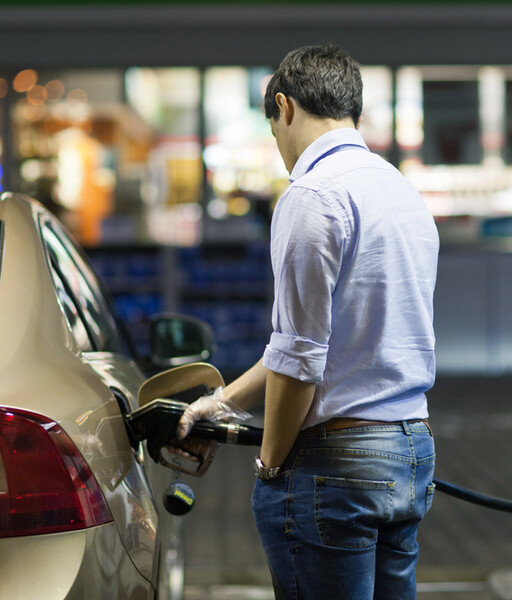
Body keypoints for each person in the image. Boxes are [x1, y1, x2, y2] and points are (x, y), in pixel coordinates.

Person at [176, 44, 440, 600]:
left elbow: (300, 358)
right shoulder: (401, 191)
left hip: (334, 467)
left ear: (284, 107)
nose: (279, 148)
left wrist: (271, 465)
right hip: (409, 452)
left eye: (273, 131)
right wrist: (221, 403)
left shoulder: (312, 194)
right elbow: (320, 345)